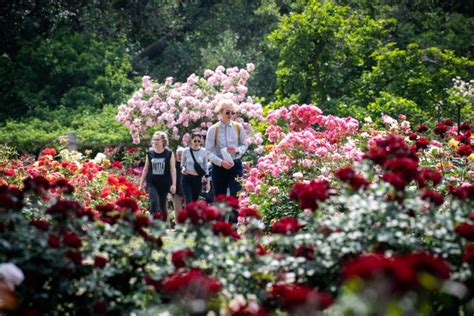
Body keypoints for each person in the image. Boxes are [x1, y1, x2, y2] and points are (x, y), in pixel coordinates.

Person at [205, 99, 248, 198]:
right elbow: (208, 151)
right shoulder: (213, 129)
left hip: (236, 164)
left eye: (233, 112)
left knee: (236, 196)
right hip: (219, 167)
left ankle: (234, 214)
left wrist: (237, 149)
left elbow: (244, 145)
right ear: (221, 112)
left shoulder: (238, 127)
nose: (230, 114)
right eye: (227, 112)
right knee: (220, 198)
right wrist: (221, 162)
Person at [139, 131, 176, 220]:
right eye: (154, 139)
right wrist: (141, 184)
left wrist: (174, 184)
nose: (155, 141)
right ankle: (151, 224)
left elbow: (173, 170)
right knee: (154, 202)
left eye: (157, 139)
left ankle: (162, 227)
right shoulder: (150, 153)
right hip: (152, 183)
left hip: (164, 183)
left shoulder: (169, 153)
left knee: (163, 206)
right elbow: (146, 169)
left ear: (163, 141)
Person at [181, 132, 210, 204]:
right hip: (187, 178)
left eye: (199, 141)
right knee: (188, 201)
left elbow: (205, 168)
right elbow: (182, 164)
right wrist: (183, 168)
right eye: (195, 140)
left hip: (197, 179)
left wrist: (208, 183)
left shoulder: (204, 151)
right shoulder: (186, 151)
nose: (197, 143)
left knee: (194, 202)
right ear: (191, 140)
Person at [172, 147, 185, 218]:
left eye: (182, 154)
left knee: (188, 209)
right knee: (178, 209)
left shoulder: (187, 164)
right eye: (178, 154)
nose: (180, 156)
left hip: (187, 189)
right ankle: (178, 226)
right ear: (176, 155)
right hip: (176, 191)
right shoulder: (172, 164)